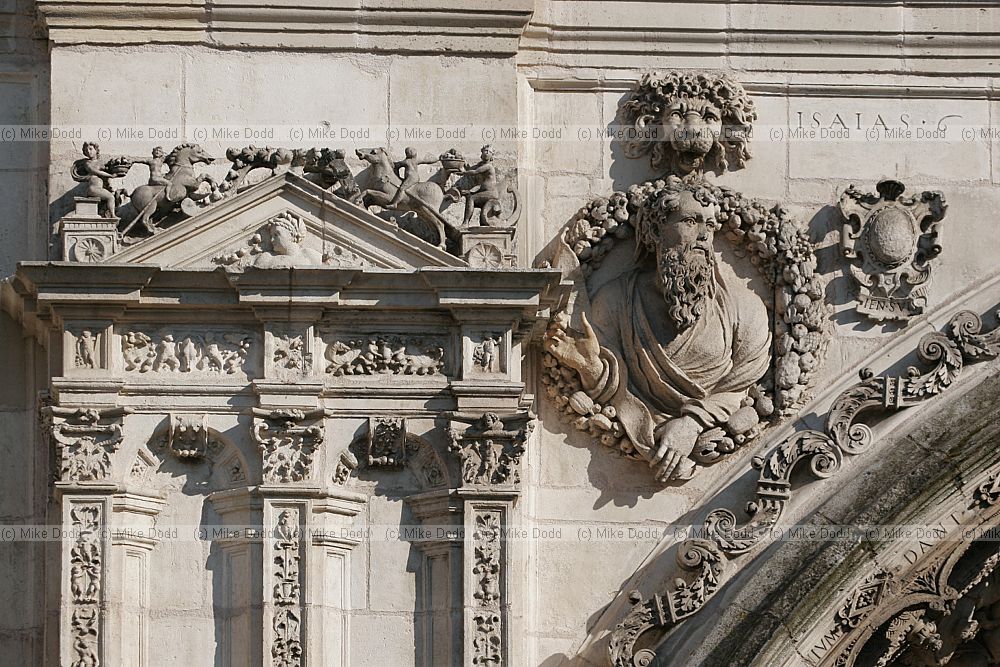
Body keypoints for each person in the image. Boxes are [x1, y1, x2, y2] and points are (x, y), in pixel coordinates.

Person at [544, 176, 771, 482]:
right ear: (655, 231)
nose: (704, 235)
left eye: (710, 224)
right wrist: (589, 366)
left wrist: (692, 423)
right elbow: (612, 386)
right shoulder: (614, 303)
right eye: (690, 221)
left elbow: (740, 382)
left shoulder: (746, 310)